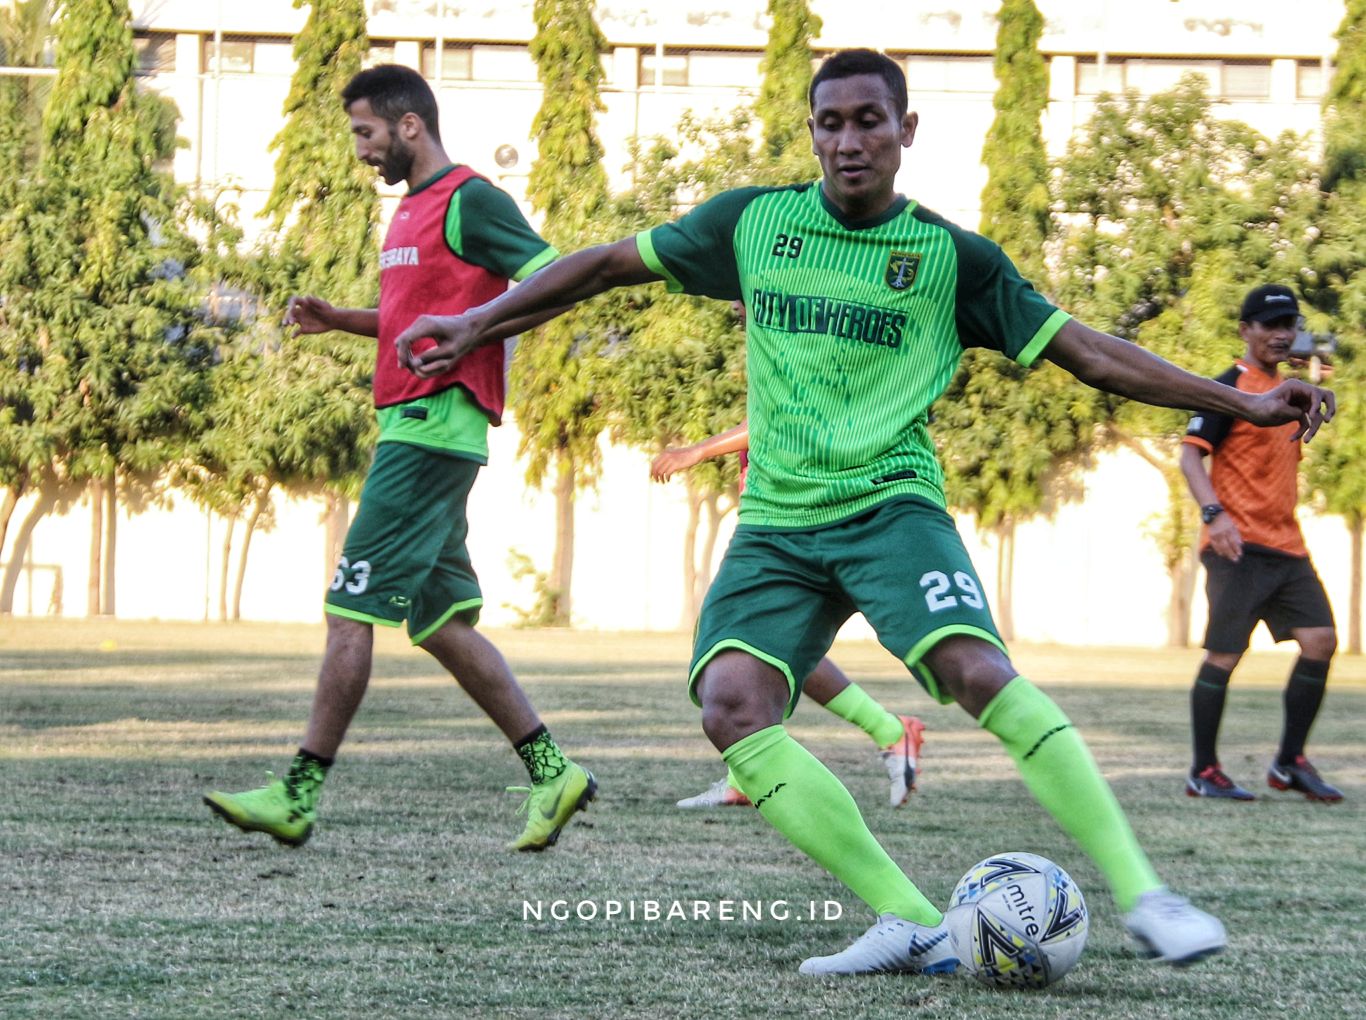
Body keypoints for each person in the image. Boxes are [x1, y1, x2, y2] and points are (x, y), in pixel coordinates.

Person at [393, 50, 1334, 973]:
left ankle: (1146, 894)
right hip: (777, 524)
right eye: (830, 122)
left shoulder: (950, 259)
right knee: (730, 705)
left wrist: (1248, 403)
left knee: (974, 669)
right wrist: (478, 323)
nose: (849, 140)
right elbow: (600, 267)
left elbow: (1087, 351)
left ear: (905, 131)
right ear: (812, 132)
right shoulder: (752, 225)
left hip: (891, 507)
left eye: (868, 121)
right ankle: (911, 919)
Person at [203, 64, 595, 853]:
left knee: (350, 609)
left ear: (409, 124)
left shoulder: (470, 199)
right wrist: (341, 318)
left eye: (365, 132)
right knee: (445, 625)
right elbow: (411, 320)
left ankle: (297, 794)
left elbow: (560, 278)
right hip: (414, 429)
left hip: (431, 433)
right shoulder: (412, 211)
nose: (361, 149)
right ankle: (554, 773)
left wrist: (483, 329)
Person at [653, 420, 925, 810]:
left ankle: (888, 730)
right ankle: (747, 774)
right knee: (754, 644)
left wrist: (696, 451)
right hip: (776, 514)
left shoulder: (805, 362)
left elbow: (776, 418)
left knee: (741, 638)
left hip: (799, 517)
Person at [1179, 284, 1343, 803]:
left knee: (1321, 640)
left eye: (1289, 325)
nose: (1281, 334)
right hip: (1237, 545)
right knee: (1225, 656)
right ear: (1245, 330)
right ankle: (1203, 771)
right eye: (1270, 325)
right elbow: (1189, 456)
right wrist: (1215, 515)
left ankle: (1289, 762)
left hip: (1288, 545)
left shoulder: (1292, 392)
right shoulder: (1229, 389)